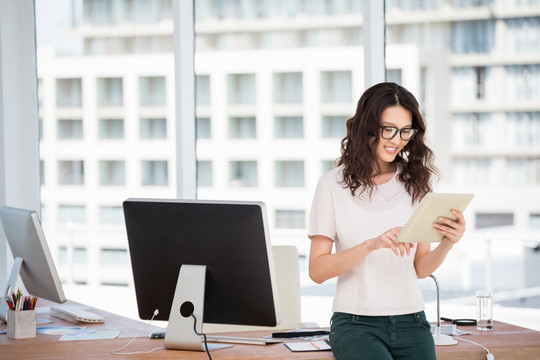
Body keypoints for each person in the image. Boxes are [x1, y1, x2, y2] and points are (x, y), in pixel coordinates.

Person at [308, 82, 466, 360]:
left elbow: (419, 268)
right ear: (366, 126)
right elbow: (317, 271)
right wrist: (371, 245)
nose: (397, 139)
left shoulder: (416, 184)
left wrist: (448, 243)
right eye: (388, 129)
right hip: (355, 324)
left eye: (406, 131)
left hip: (412, 321)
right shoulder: (331, 186)